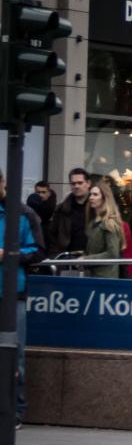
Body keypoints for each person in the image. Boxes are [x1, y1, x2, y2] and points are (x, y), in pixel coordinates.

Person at [0, 171, 39, 430]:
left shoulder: (24, 214)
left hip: (14, 293)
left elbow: (37, 250)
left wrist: (8, 254)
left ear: (2, 182)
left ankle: (15, 409)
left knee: (17, 355)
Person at [80, 182, 123, 278]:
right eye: (90, 194)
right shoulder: (92, 222)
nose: (91, 197)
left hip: (106, 277)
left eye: (95, 194)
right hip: (92, 275)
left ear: (104, 198)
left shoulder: (109, 223)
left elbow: (112, 253)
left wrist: (86, 259)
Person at [48, 167, 92, 256]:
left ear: (88, 183)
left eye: (80, 183)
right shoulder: (61, 209)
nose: (76, 186)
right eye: (73, 183)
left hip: (92, 259)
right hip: (68, 260)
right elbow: (52, 235)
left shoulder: (97, 207)